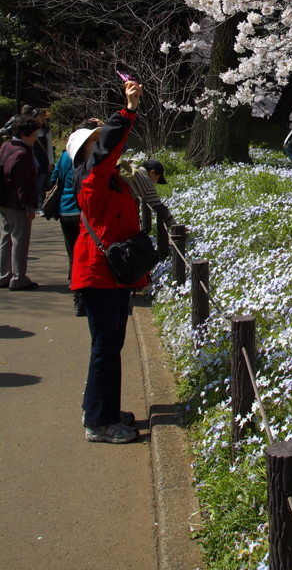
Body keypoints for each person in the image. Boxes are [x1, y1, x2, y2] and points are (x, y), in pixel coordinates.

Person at [69, 79, 147, 444]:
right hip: (98, 274)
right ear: (86, 152)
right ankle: (100, 423)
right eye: (95, 141)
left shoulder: (112, 180)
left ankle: (97, 408)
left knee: (109, 344)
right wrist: (127, 111)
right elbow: (105, 153)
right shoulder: (91, 179)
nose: (104, 145)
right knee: (105, 346)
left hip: (112, 275)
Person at [51, 118, 104, 317]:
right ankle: (84, 298)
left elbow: (53, 178)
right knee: (86, 256)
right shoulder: (93, 159)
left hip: (66, 210)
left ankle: (77, 293)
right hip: (84, 213)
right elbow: (118, 146)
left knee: (73, 254)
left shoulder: (65, 156)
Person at [0, 115, 41, 289]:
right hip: (17, 203)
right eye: (34, 135)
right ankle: (18, 278)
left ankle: (4, 275)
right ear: (25, 134)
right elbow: (24, 183)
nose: (35, 138)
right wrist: (29, 207)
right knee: (20, 239)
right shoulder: (23, 154)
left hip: (3, 200)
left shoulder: (5, 147)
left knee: (6, 238)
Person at [118, 157, 177, 229]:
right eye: (157, 178)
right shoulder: (146, 182)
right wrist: (174, 225)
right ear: (152, 172)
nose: (155, 182)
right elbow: (159, 207)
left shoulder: (132, 167)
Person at [32, 109, 54, 214]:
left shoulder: (46, 131)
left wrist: (51, 162)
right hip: (32, 160)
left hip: (43, 160)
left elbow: (49, 146)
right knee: (32, 183)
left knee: (41, 185)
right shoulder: (29, 130)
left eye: (43, 116)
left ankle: (40, 205)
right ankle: (32, 205)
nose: (42, 118)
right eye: (40, 116)